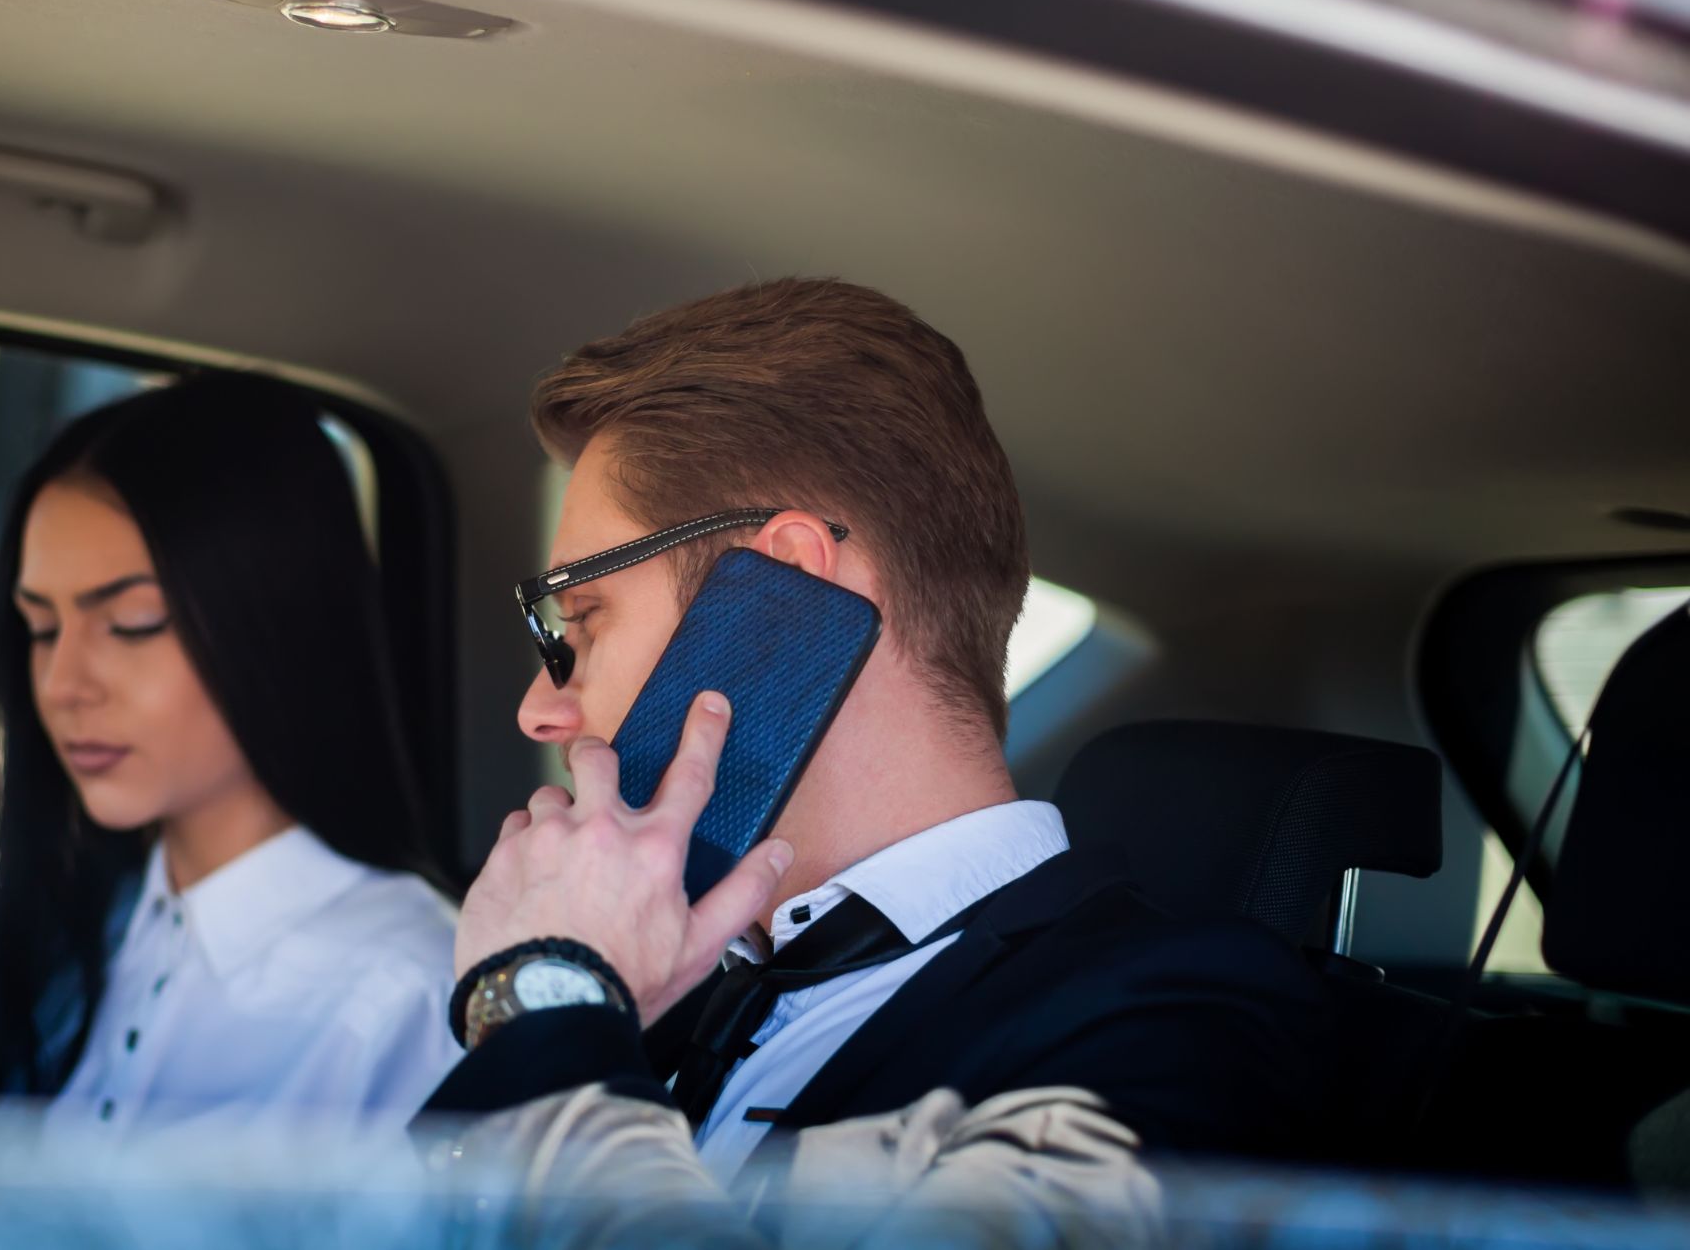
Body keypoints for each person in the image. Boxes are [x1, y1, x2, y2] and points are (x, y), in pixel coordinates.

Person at [421, 279, 1326, 1198]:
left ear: (780, 590)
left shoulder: (1168, 1028)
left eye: (584, 618)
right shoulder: (650, 992)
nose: (538, 710)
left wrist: (548, 1010)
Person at [0, 375, 461, 1144]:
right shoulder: (111, 922)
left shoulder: (408, 997)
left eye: (134, 622)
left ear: (279, 622)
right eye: (42, 629)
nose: (62, 685)